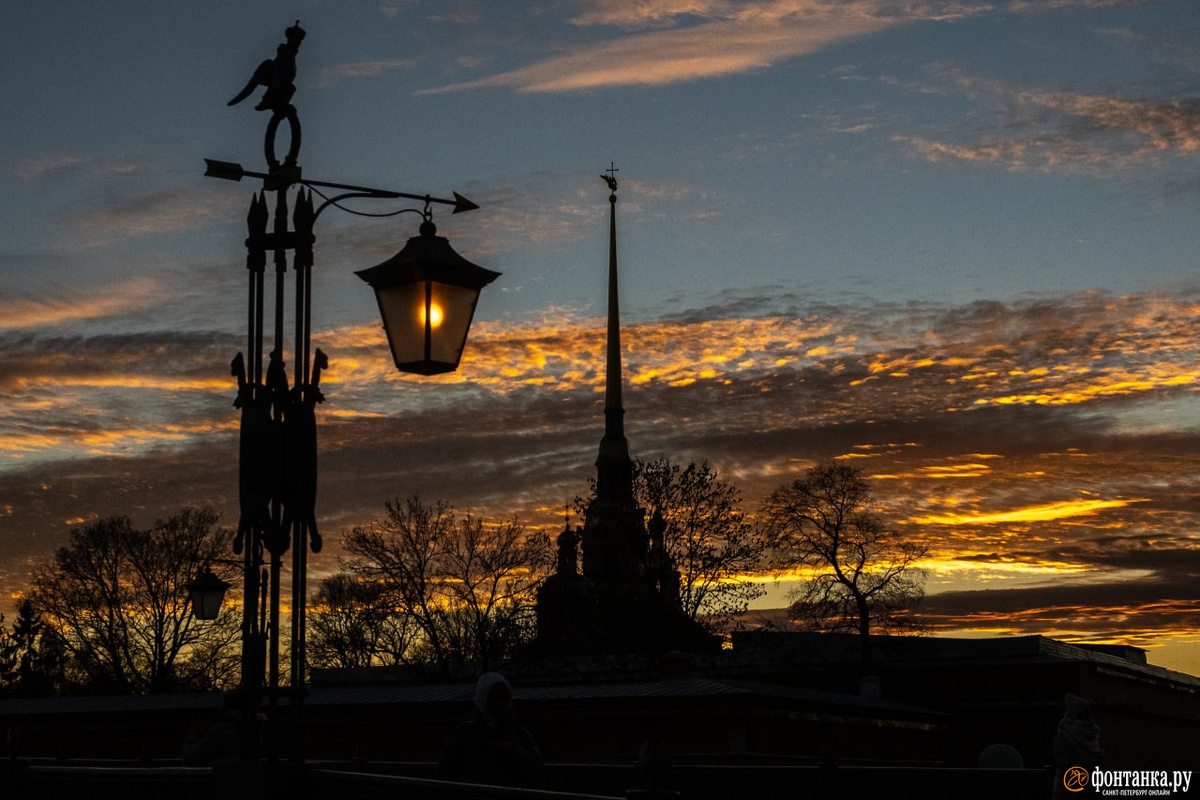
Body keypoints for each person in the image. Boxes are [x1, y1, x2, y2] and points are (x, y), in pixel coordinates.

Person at [437, 672, 542, 787]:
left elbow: (535, 770)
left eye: (505, 699)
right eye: (495, 699)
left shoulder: (520, 733)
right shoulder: (463, 734)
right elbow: (446, 770)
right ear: (484, 699)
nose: (501, 704)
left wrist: (514, 751)